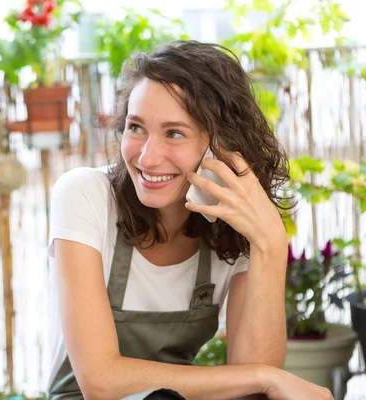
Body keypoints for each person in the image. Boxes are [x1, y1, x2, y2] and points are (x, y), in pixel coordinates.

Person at [45, 41, 333, 400]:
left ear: (221, 145)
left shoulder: (233, 222)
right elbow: (101, 381)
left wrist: (271, 243)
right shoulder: (85, 195)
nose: (147, 157)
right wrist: (263, 376)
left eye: (174, 133)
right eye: (136, 128)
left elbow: (254, 383)